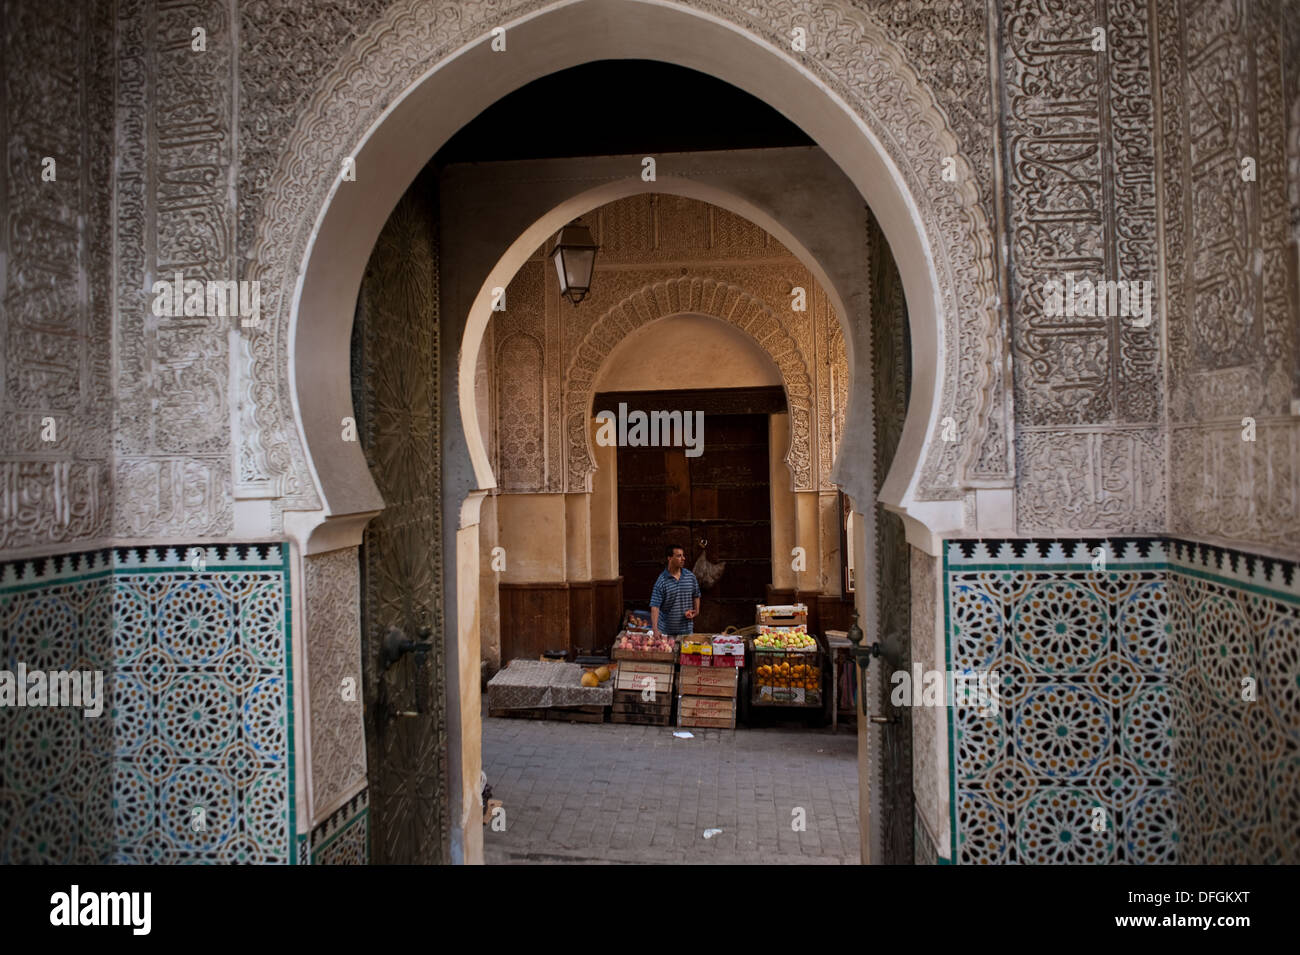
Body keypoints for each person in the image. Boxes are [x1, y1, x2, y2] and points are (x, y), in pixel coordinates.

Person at [650, 543, 701, 641]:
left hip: (686, 631)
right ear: (669, 558)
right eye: (679, 556)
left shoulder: (690, 577)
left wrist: (696, 611)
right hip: (666, 632)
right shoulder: (662, 581)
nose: (683, 558)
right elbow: (655, 606)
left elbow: (696, 594)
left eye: (683, 555)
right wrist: (655, 629)